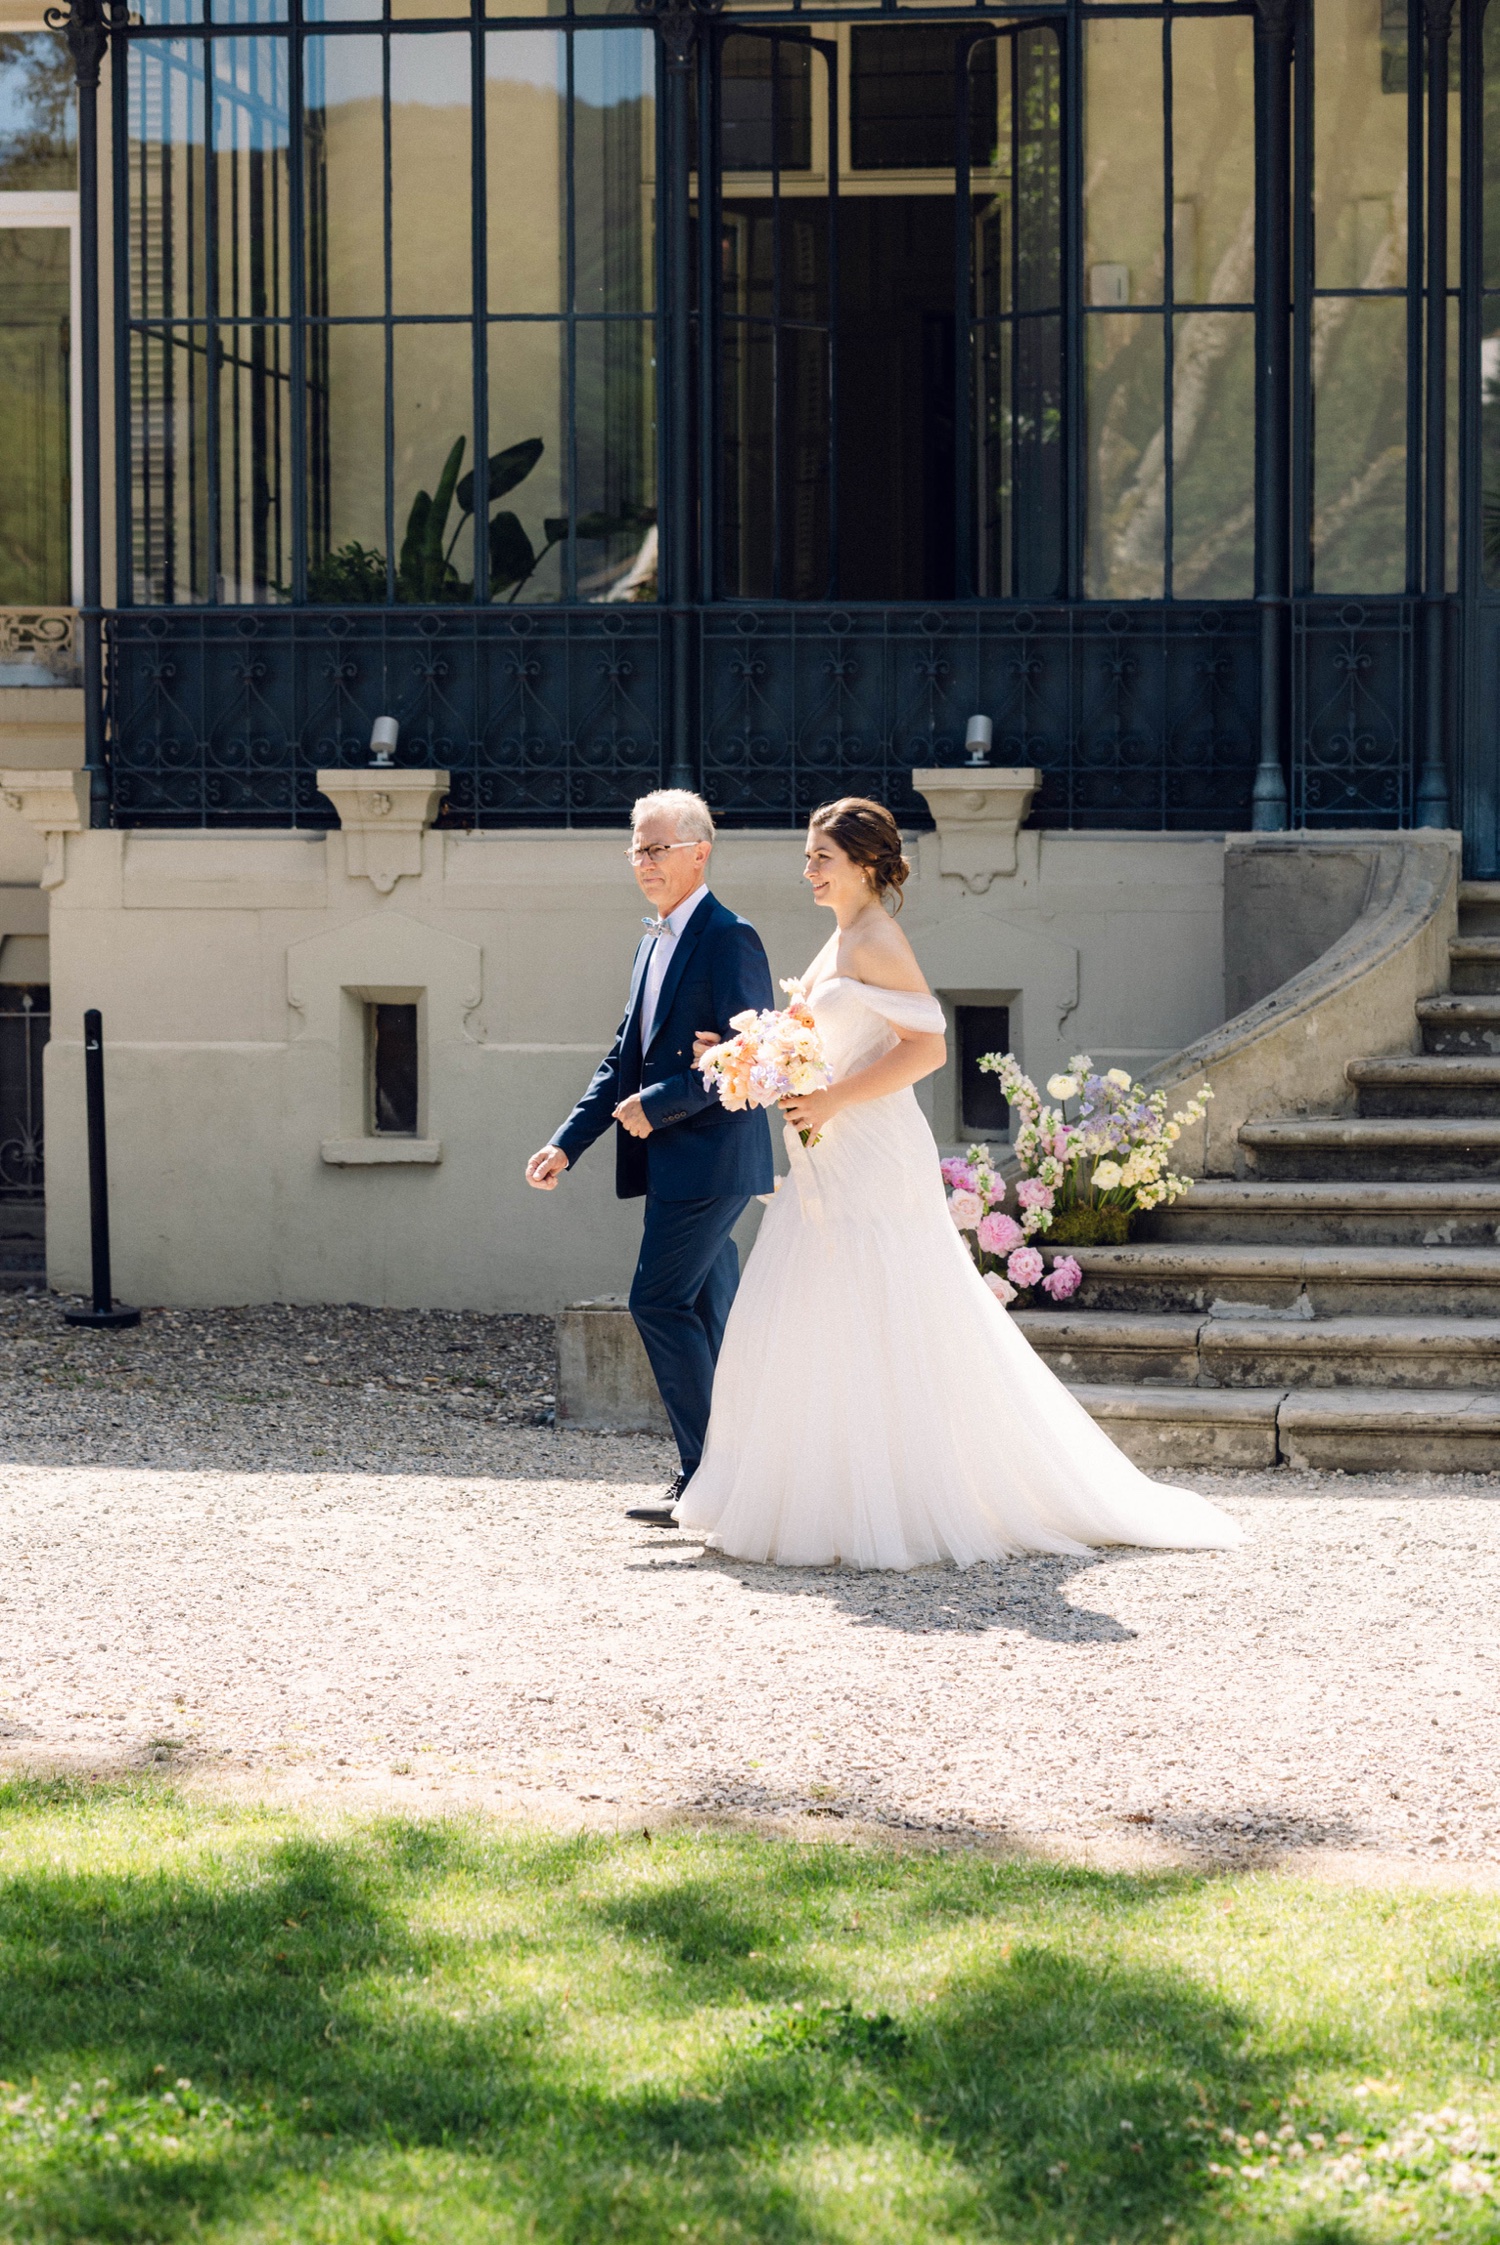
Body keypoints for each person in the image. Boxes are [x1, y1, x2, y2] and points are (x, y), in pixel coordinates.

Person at [674, 796, 1245, 1569]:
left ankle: (905, 1496)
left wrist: (835, 1098)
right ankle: (821, 1491)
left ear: (867, 865)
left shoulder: (878, 937)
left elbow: (930, 1046)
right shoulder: (841, 935)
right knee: (814, 1304)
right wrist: (744, 1056)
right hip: (828, 1146)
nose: (808, 869)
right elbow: (819, 1041)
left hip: (870, 1146)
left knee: (889, 1302)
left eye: (822, 858)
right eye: (808, 856)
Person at [525, 789, 774, 1521]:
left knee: (656, 1301)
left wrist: (660, 1101)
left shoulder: (731, 937)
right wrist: (565, 1143)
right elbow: (619, 1061)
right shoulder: (650, 942)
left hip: (715, 1159)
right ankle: (739, 1480)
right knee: (704, 1313)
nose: (644, 861)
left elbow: (749, 1058)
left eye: (657, 847)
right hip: (671, 1164)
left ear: (700, 851)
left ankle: (707, 1479)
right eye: (636, 847)